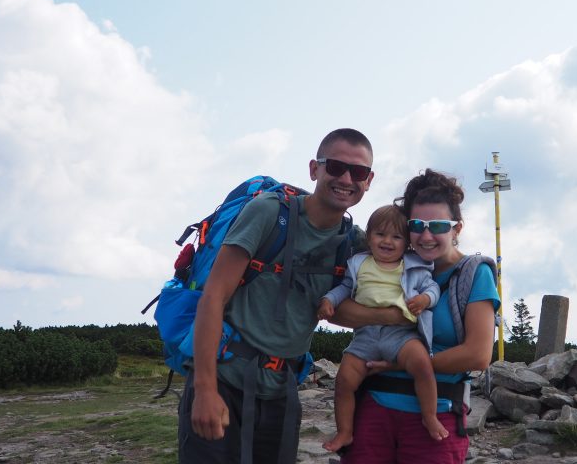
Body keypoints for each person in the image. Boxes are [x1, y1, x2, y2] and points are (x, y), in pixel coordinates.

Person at [178, 128, 374, 464]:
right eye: (336, 167)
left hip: (282, 390)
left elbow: (339, 310)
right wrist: (205, 391)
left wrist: (400, 315)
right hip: (225, 381)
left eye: (358, 172)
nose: (346, 178)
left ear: (369, 180)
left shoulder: (352, 243)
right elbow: (214, 296)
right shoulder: (271, 212)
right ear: (315, 169)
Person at [329, 169, 501, 464]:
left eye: (437, 226)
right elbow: (339, 312)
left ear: (457, 229)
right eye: (417, 225)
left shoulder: (475, 273)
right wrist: (393, 317)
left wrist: (401, 364)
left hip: (437, 412)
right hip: (372, 407)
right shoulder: (385, 263)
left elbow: (478, 355)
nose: (426, 235)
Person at [317, 205, 446, 452]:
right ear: (369, 236)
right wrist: (328, 301)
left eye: (396, 237)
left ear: (407, 243)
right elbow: (344, 288)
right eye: (380, 234)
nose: (387, 241)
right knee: (344, 380)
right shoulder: (358, 263)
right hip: (365, 335)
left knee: (422, 365)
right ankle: (345, 431)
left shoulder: (414, 266)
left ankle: (429, 416)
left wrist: (424, 300)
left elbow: (433, 289)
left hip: (402, 335)